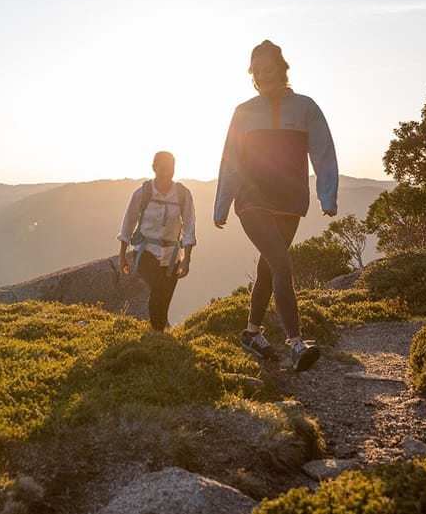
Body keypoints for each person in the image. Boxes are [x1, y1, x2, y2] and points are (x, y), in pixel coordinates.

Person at [213, 39, 338, 371]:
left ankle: (251, 333)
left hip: (290, 202)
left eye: (269, 69)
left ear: (283, 69)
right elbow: (231, 160)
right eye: (257, 71)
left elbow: (323, 152)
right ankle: (296, 342)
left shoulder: (306, 107)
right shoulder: (244, 112)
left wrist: (328, 194)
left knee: (267, 269)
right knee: (283, 265)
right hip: (252, 200)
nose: (263, 75)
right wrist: (222, 204)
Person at [118, 151, 196, 331]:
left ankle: (159, 334)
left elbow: (190, 227)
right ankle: (156, 333)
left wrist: (187, 259)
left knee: (166, 297)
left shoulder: (183, 194)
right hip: (145, 251)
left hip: (172, 255)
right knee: (158, 288)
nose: (167, 173)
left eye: (171, 169)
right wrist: (122, 255)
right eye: (163, 169)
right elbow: (128, 223)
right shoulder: (143, 193)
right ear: (154, 168)